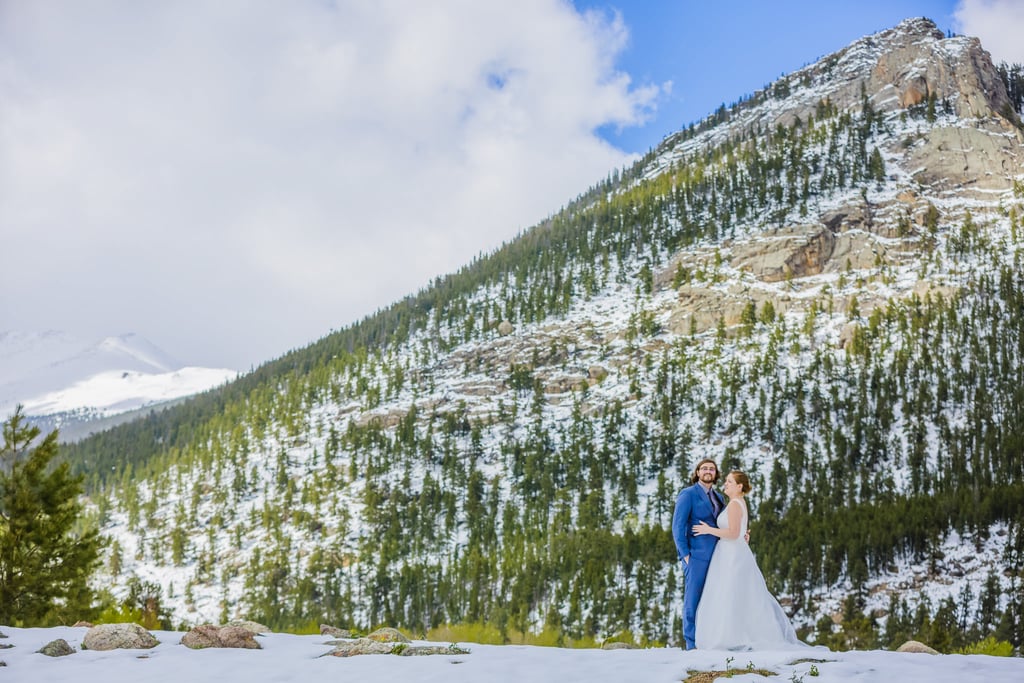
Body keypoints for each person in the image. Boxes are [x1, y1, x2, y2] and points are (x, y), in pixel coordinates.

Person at [691, 470, 805, 650]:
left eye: (729, 481)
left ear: (739, 486)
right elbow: (740, 532)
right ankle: (730, 637)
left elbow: (733, 533)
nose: (725, 484)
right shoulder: (736, 503)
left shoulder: (735, 504)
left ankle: (727, 638)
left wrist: (708, 530)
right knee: (732, 594)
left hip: (731, 554)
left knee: (729, 593)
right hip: (730, 552)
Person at [671, 458, 726, 650]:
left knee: (713, 597)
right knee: (692, 599)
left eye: (712, 468)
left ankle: (709, 639)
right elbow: (677, 527)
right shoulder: (688, 494)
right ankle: (691, 644)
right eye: (704, 468)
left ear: (716, 474)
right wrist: (685, 555)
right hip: (696, 556)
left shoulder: (719, 497)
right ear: (697, 472)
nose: (708, 471)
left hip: (718, 555)